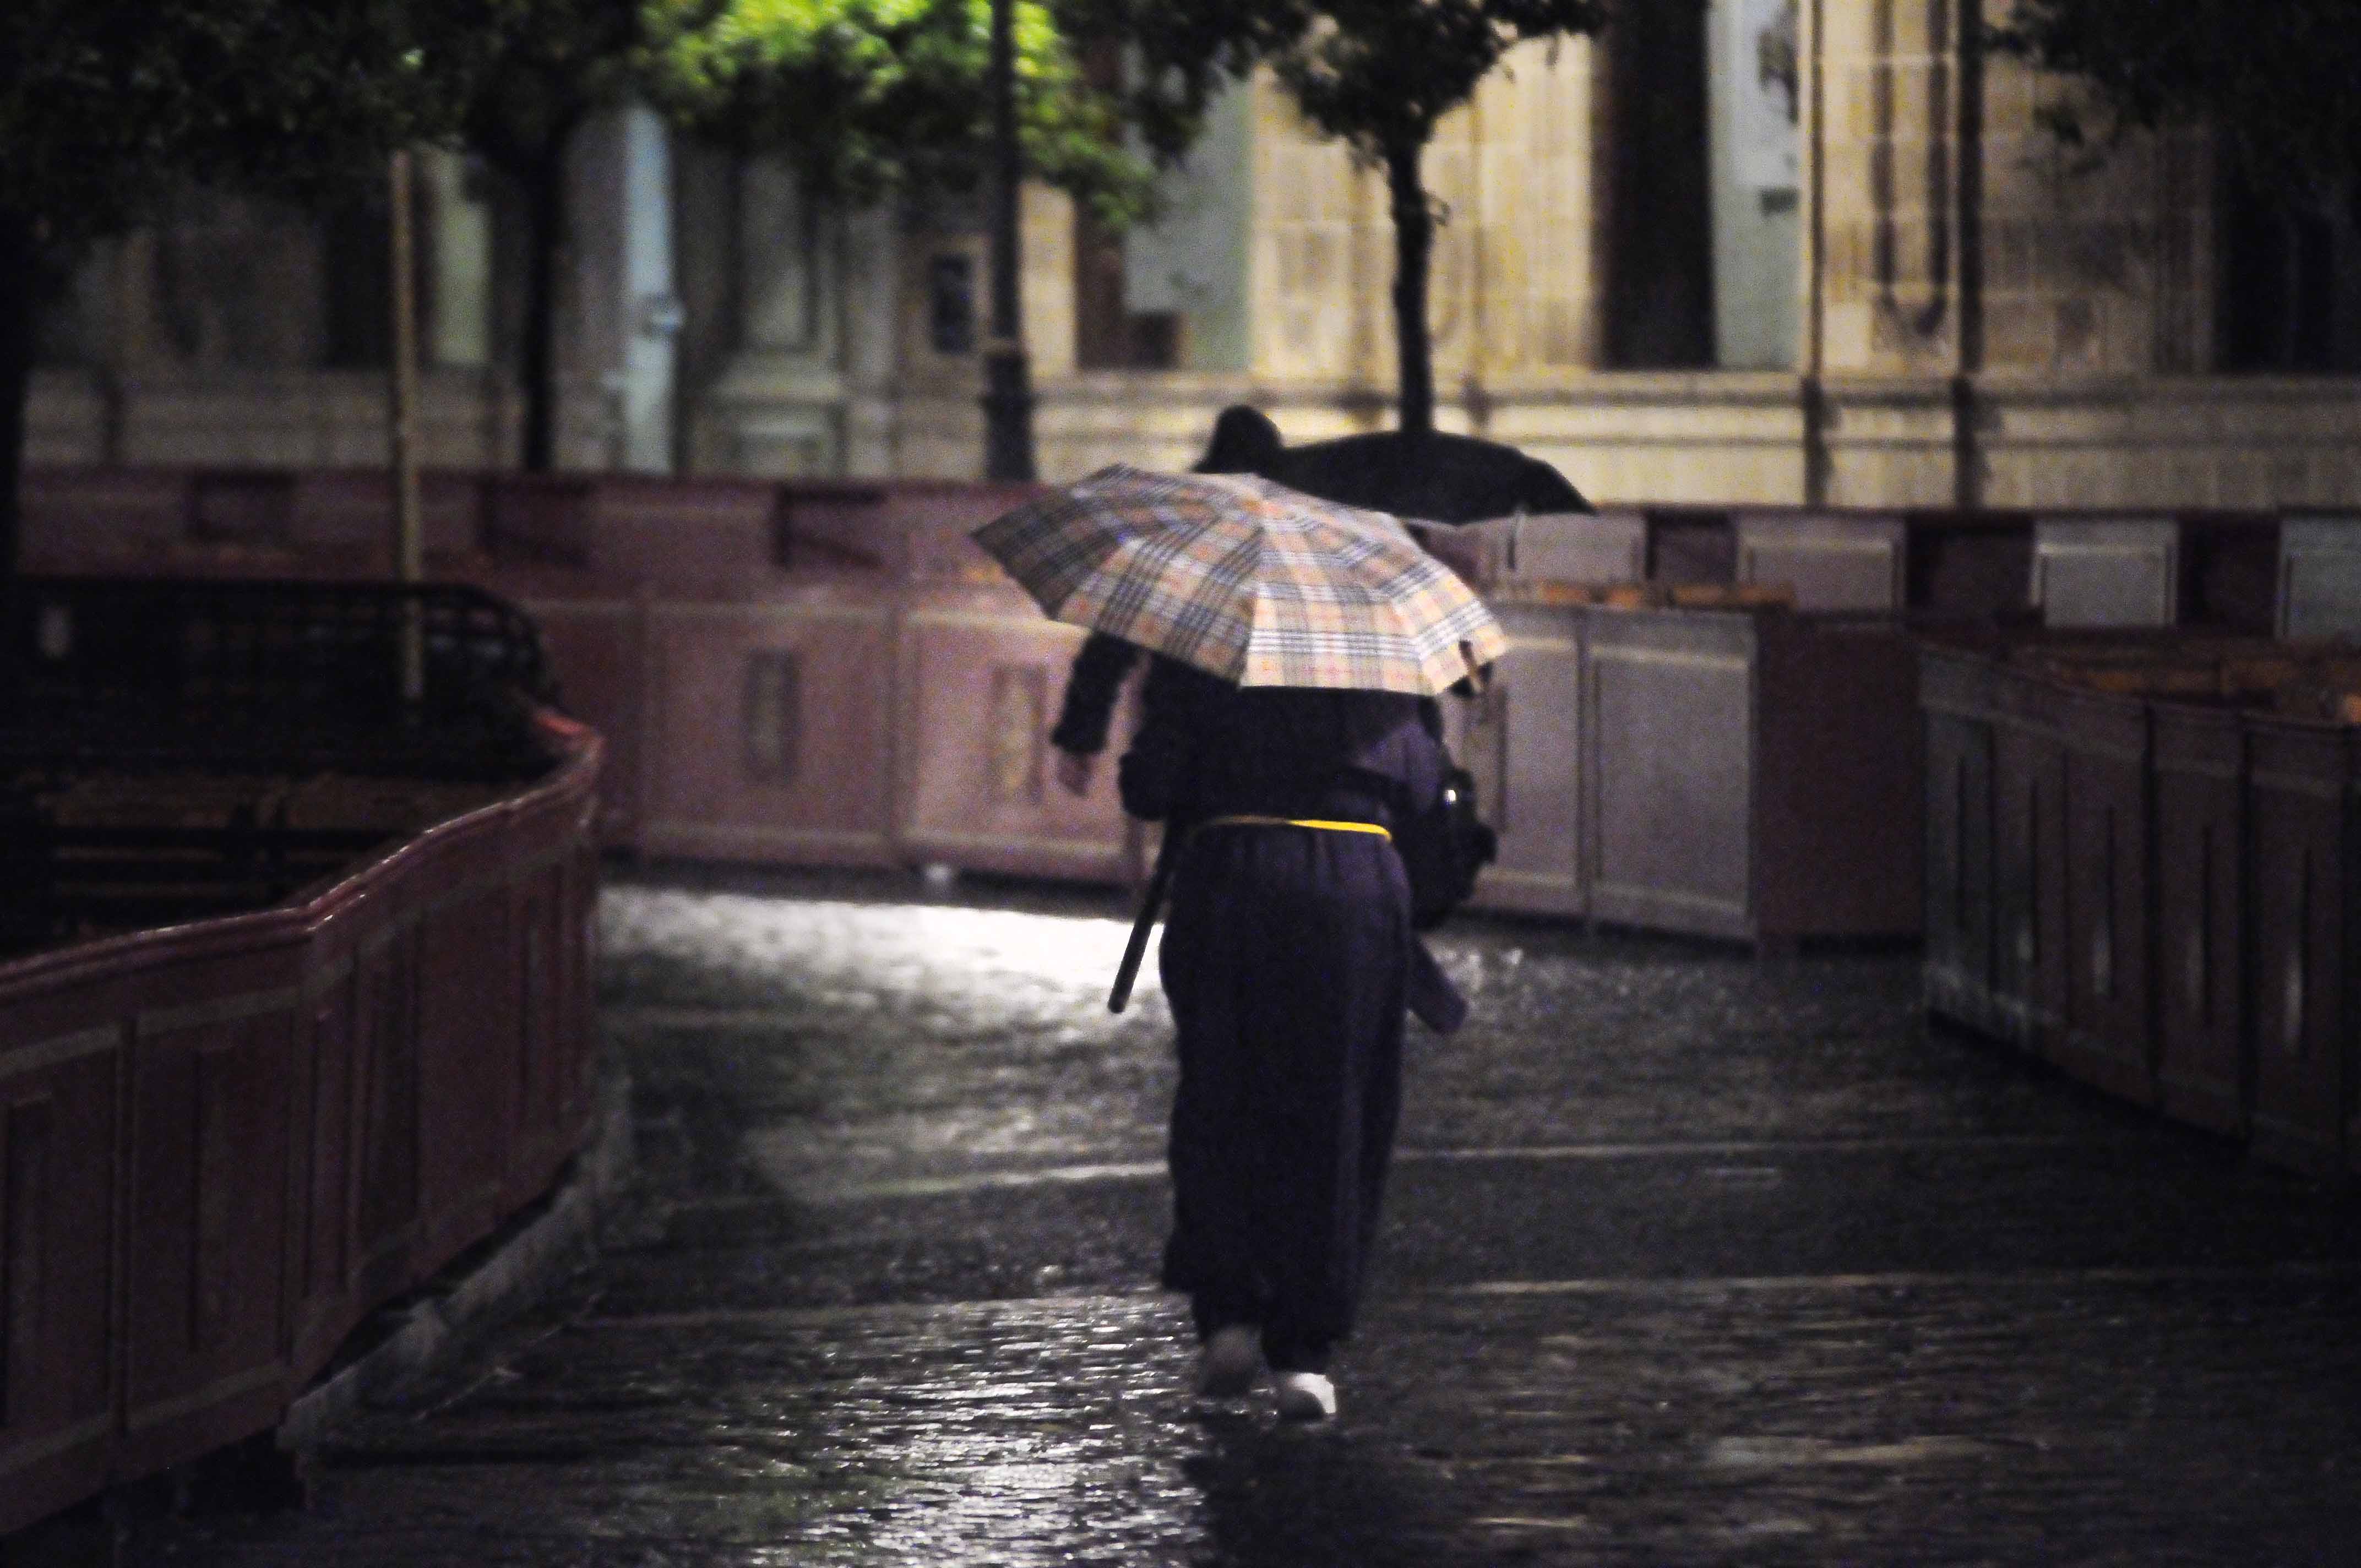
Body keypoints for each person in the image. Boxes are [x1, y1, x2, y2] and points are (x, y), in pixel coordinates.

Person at [1117, 654, 1471, 1421]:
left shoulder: (1203, 657)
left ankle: (1228, 1312)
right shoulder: (1388, 668)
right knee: (1337, 1116)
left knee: (1220, 1100)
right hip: (1353, 888)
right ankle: (1304, 1351)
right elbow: (1426, 802)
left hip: (1230, 878)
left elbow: (1148, 787)